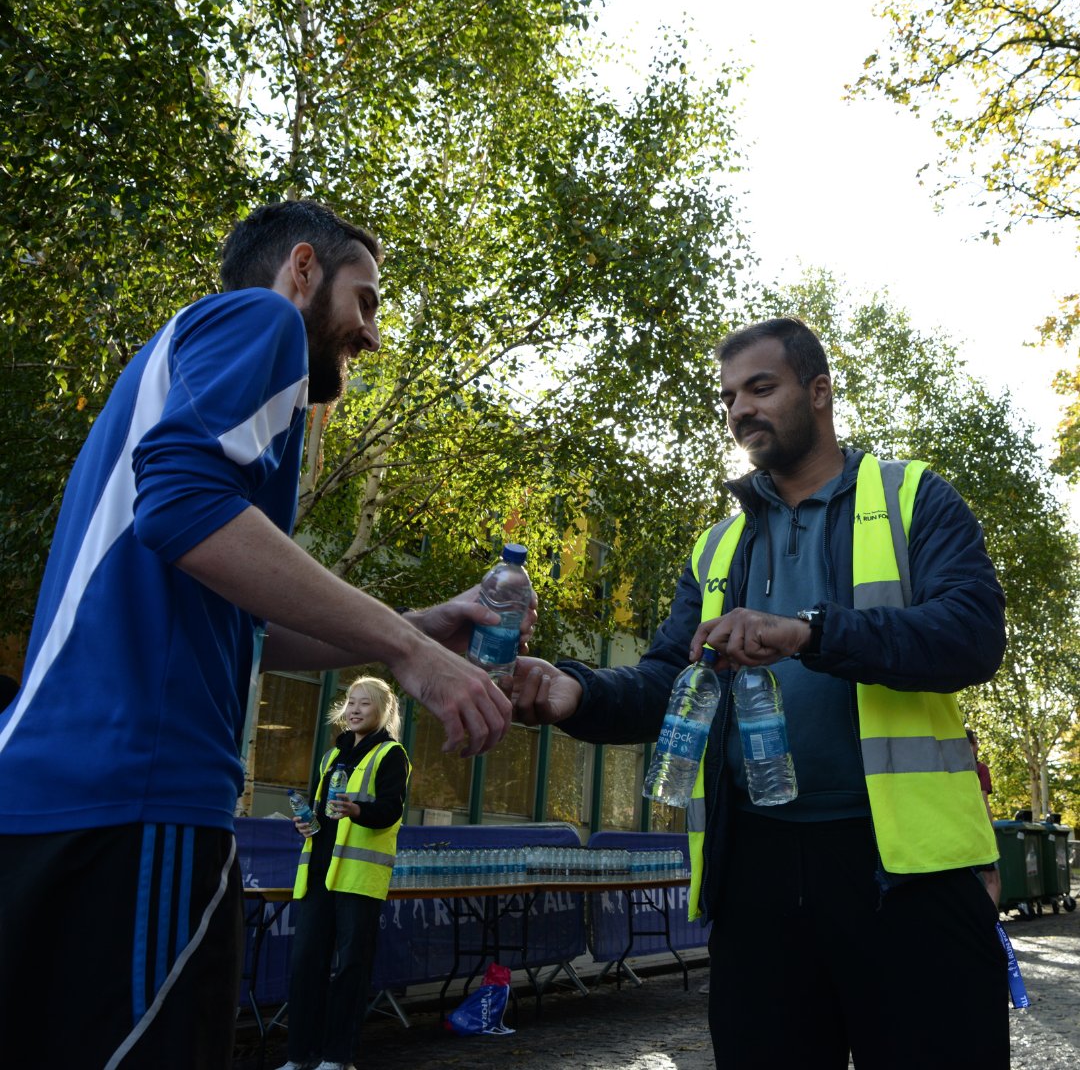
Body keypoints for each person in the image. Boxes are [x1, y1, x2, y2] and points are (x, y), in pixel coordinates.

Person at [0, 200, 532, 1069]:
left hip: (53, 798)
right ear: (301, 269)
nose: (369, 334)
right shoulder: (265, 322)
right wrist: (411, 658)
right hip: (140, 799)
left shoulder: (176, 371)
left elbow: (247, 624)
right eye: (364, 301)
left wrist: (420, 624)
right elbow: (182, 506)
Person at [512, 317, 1009, 1069]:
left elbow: (971, 636)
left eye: (761, 387)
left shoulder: (917, 499)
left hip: (907, 880)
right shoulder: (716, 545)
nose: (741, 408)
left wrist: (810, 632)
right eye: (728, 397)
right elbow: (663, 685)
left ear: (819, 392)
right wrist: (572, 694)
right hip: (757, 882)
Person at [277, 676, 409, 1070]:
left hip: (358, 879)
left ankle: (337, 1058)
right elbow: (319, 814)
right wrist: (305, 824)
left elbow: (391, 812)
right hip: (318, 874)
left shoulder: (390, 754)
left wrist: (357, 811)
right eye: (351, 702)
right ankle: (298, 1056)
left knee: (350, 968)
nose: (354, 710)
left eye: (364, 704)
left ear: (382, 711)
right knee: (306, 966)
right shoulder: (330, 757)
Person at [968, 727, 1003, 907]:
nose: (977, 746)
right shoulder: (979, 768)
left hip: (955, 832)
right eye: (974, 742)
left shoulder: (947, 771)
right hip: (978, 831)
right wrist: (991, 833)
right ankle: (991, 927)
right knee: (993, 881)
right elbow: (983, 802)